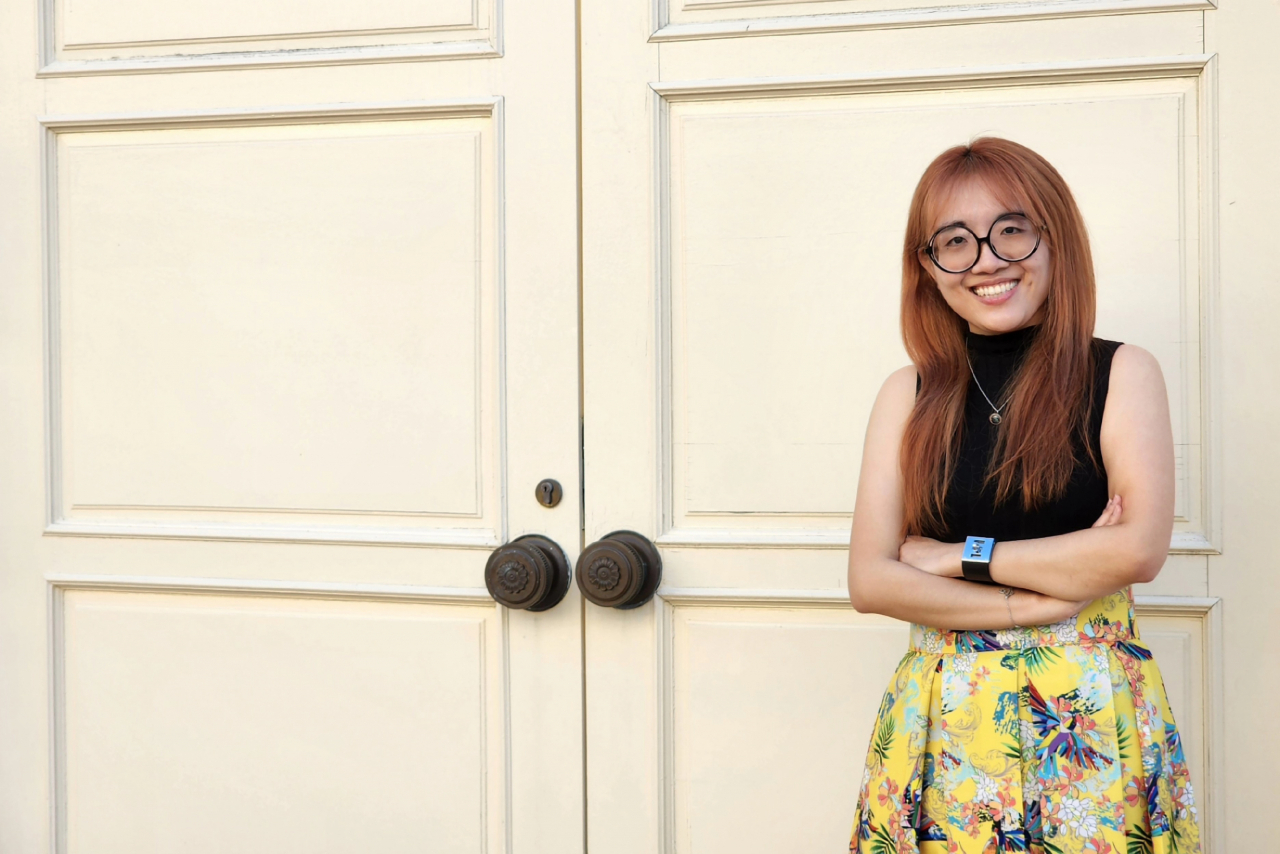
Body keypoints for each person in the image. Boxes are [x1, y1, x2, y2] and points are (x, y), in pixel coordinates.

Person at [846, 138, 1202, 854]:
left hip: (1091, 723)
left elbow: (1137, 550)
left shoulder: (1122, 374)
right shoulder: (907, 394)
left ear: (1055, 236)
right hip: (941, 722)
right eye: (955, 240)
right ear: (928, 266)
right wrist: (1037, 598)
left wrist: (953, 558)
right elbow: (870, 579)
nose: (985, 259)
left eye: (1011, 229)